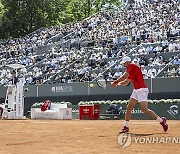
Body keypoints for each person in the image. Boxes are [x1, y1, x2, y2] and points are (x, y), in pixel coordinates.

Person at [111, 56, 168, 133]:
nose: (123, 65)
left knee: (145, 110)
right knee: (129, 107)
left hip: (142, 90)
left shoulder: (132, 66)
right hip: (136, 90)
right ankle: (126, 126)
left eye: (124, 63)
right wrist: (118, 83)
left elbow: (125, 78)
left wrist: (116, 82)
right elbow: (126, 81)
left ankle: (161, 121)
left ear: (128, 62)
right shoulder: (130, 68)